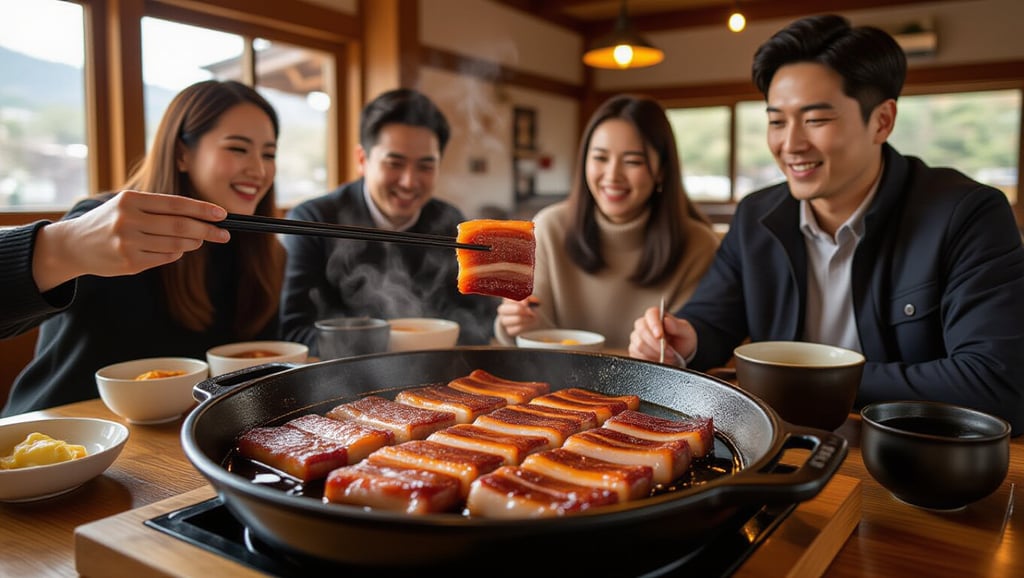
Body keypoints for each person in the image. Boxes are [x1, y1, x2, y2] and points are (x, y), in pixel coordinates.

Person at [628, 14, 1024, 433]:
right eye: (777, 121)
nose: (791, 144)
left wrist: (807, 378)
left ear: (882, 121)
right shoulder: (757, 216)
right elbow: (713, 320)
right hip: (784, 443)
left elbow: (997, 384)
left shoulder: (966, 214)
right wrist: (684, 340)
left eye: (816, 120)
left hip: (909, 456)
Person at [1, 79, 285, 416]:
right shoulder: (110, 224)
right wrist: (63, 246)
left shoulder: (256, 250)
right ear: (181, 154)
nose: (259, 169)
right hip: (53, 437)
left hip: (174, 443)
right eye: (238, 148)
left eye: (269, 153)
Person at [279, 88, 497, 353]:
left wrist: (507, 322)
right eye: (395, 163)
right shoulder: (313, 221)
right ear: (362, 160)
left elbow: (478, 323)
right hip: (342, 379)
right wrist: (394, 343)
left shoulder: (451, 223)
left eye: (425, 166)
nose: (409, 182)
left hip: (434, 377)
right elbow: (294, 334)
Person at [494, 94, 719, 350]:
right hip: (559, 383)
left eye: (633, 161)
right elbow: (534, 331)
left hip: (651, 386)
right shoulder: (550, 228)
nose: (612, 175)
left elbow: (689, 346)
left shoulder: (698, 245)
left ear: (662, 170)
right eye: (600, 158)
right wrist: (516, 322)